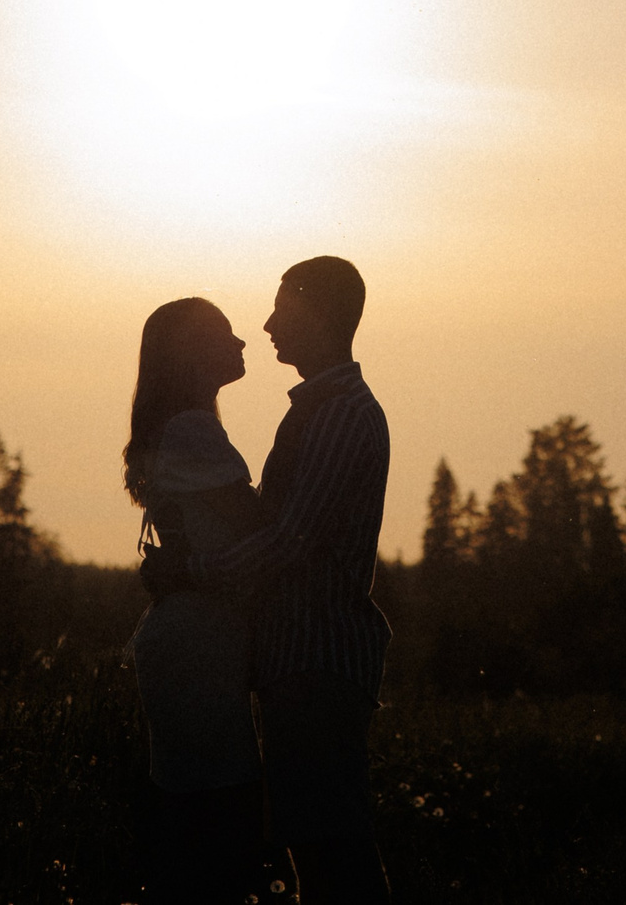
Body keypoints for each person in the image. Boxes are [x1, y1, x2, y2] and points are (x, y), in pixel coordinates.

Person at [195, 256, 393, 903]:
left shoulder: (338, 414)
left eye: (284, 309)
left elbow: (292, 541)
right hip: (304, 663)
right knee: (321, 848)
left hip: (317, 662)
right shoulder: (324, 408)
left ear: (323, 315)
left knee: (330, 850)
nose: (269, 325)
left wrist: (193, 572)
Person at [123, 297, 282, 903]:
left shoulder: (182, 427)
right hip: (197, 649)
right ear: (191, 354)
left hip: (191, 642)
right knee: (220, 825)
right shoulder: (192, 429)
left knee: (198, 824)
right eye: (225, 334)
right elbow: (260, 528)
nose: (241, 343)